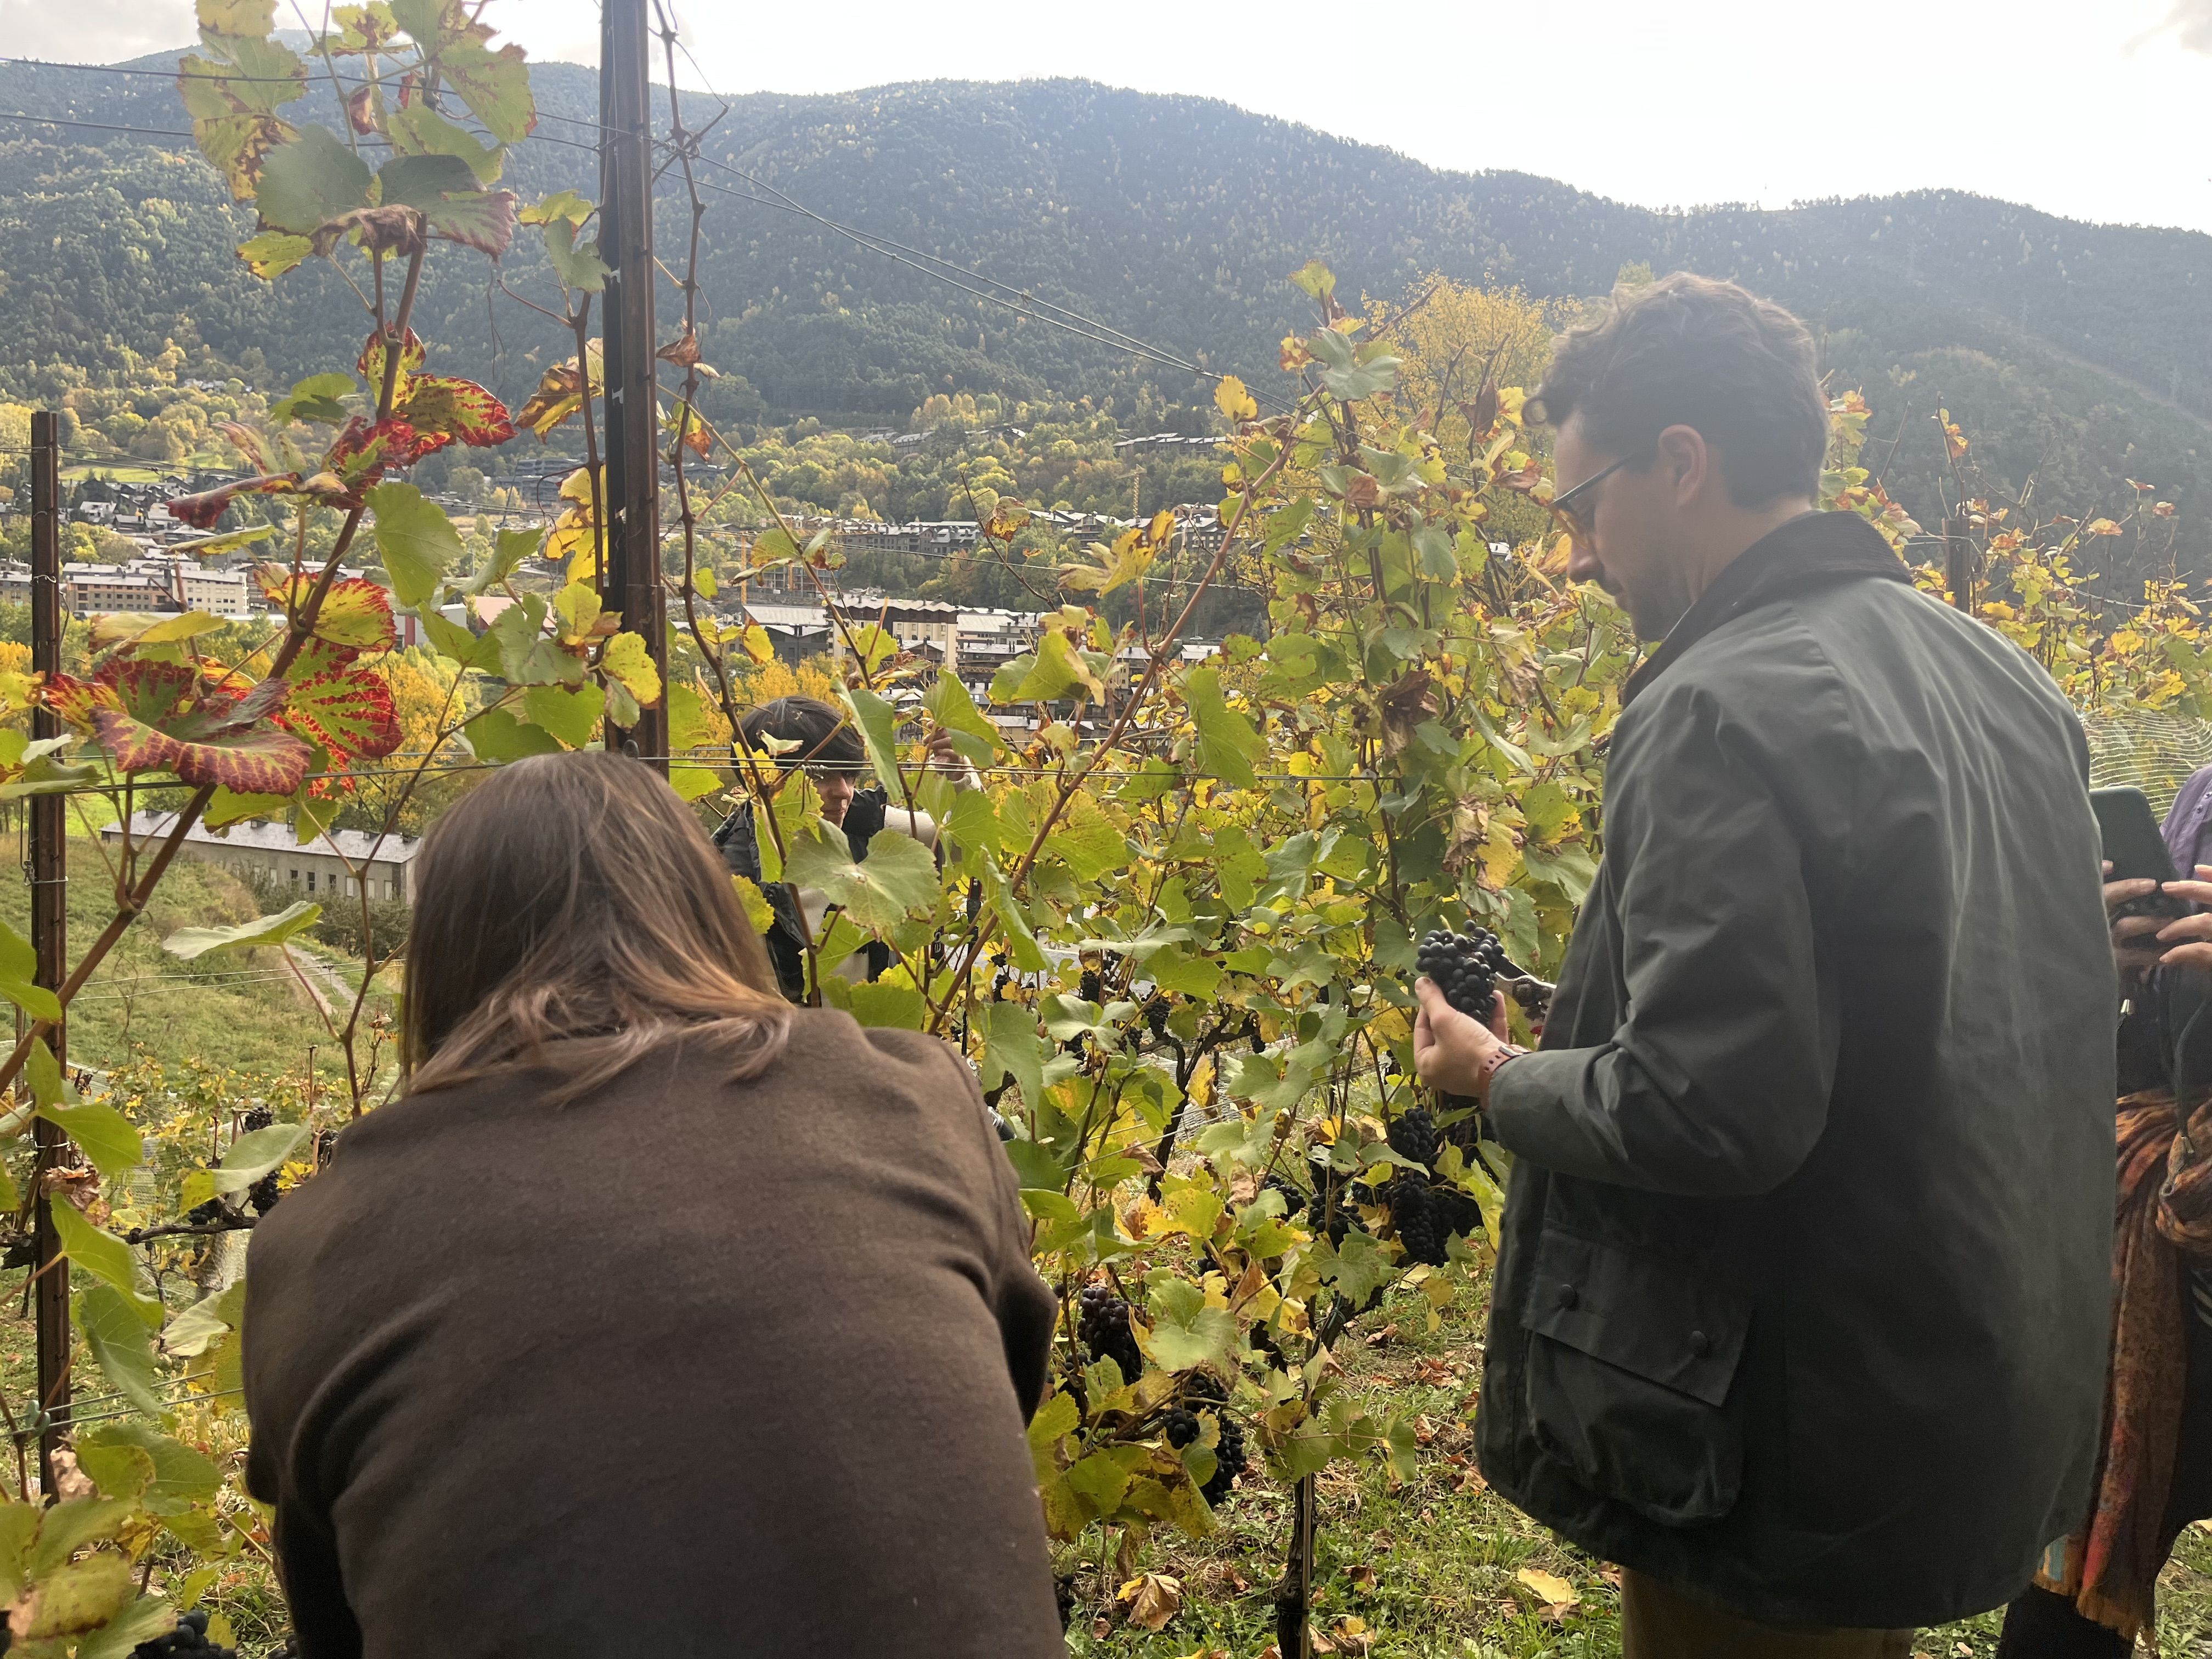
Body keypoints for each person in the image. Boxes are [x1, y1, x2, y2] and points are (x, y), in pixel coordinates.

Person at [1411, 273, 2115, 1657]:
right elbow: (1904, 1009)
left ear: (1682, 464)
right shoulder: (2005, 682)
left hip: (1782, 1428)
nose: (1578, 557)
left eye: (1580, 508)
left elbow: (1714, 1110)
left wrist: (1493, 1074)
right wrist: (1590, 1012)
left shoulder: (1715, 704)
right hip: (1954, 1381)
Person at [242, 752, 1062, 1658]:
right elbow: (997, 1386)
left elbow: (336, 1619)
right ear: (709, 911)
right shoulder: (915, 1098)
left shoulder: (319, 1247)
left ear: (445, 954)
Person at [1996, 781, 2212, 1655]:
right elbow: (2163, 1042)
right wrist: (2110, 964)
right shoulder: (2204, 793)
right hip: (2163, 1270)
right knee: (2063, 1613)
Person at [715, 695, 971, 999]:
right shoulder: (723, 871)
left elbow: (961, 846)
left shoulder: (870, 825)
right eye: (820, 775)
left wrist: (958, 778)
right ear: (760, 778)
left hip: (870, 1039)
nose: (843, 792)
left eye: (849, 774)